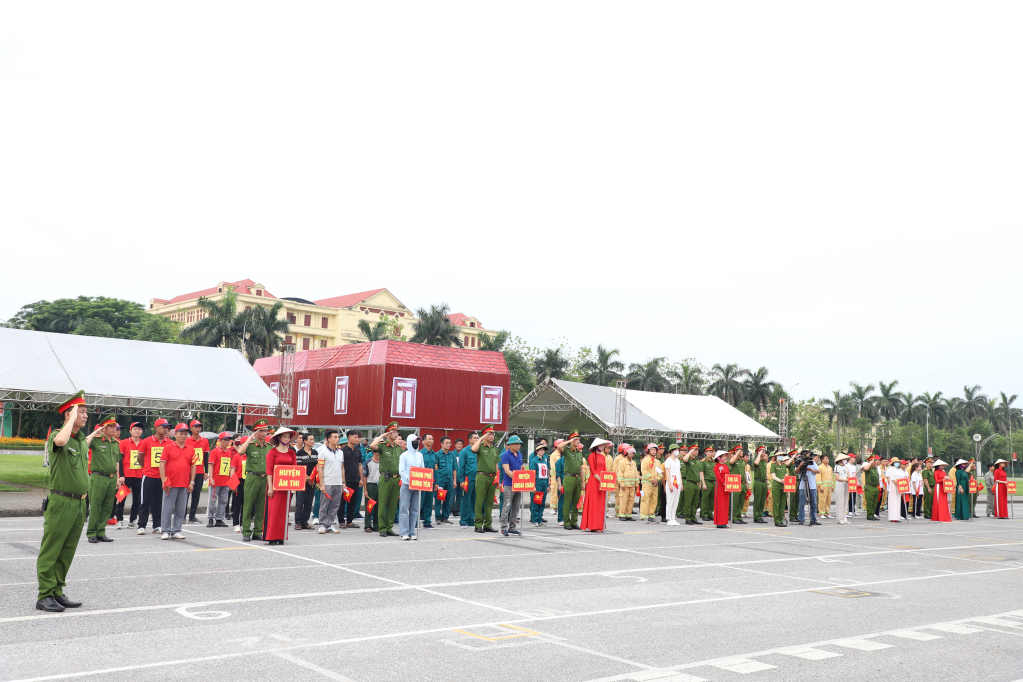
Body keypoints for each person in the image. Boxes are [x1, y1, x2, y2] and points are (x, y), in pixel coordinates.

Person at [36, 391, 99, 612]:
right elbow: (61, 440)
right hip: (61, 502)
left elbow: (84, 442)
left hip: (79, 503)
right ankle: (44, 595)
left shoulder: (80, 440)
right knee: (52, 549)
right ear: (68, 415)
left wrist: (94, 432)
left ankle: (57, 591)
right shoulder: (57, 436)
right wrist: (71, 417)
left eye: (85, 412)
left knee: (67, 550)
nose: (85, 415)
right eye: (81, 412)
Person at [235, 418, 273, 542]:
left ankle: (257, 531)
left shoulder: (270, 447)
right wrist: (250, 439)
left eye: (265, 431)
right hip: (252, 477)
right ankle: (246, 531)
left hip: (264, 479)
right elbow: (240, 451)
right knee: (248, 505)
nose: (264, 433)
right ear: (255, 433)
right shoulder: (251, 445)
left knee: (261, 507)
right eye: (261, 431)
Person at [85, 417, 121, 544]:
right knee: (95, 506)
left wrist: (117, 478)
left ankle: (101, 531)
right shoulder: (96, 441)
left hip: (111, 478)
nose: (114, 428)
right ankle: (92, 533)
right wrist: (97, 431)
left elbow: (116, 461)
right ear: (103, 428)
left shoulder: (116, 443)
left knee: (107, 507)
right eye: (110, 426)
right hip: (98, 477)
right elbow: (85, 442)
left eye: (114, 426)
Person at [159, 423, 196, 540]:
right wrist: (164, 481)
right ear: (175, 434)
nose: (183, 436)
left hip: (184, 483)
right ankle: (165, 530)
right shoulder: (168, 447)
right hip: (171, 482)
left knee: (181, 508)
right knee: (167, 508)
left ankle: (176, 530)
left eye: (185, 434)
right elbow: (162, 464)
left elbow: (193, 466)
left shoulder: (190, 449)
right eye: (181, 433)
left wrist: (192, 482)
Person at [137, 418, 172, 535]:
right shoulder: (147, 441)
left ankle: (157, 525)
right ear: (156, 428)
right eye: (164, 427)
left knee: (159, 502)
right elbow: (139, 457)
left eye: (167, 427)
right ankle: (141, 525)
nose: (166, 429)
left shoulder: (169, 442)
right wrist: (145, 468)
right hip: (149, 475)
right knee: (145, 501)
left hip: (162, 477)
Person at [369, 422, 403, 538]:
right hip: (385, 478)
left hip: (396, 479)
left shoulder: (399, 448)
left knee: (393, 505)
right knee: (382, 504)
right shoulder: (383, 445)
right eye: (393, 432)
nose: (395, 434)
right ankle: (382, 528)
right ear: (388, 433)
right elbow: (372, 446)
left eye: (396, 432)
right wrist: (382, 436)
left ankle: (389, 527)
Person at [264, 427, 297, 545]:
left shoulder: (292, 452)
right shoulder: (272, 452)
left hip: (287, 487)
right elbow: (269, 470)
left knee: (284, 512)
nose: (287, 439)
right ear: (279, 438)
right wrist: (271, 487)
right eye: (285, 437)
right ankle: (271, 536)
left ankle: (281, 536)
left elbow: (295, 469)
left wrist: (294, 486)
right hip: (275, 486)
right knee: (273, 511)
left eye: (289, 437)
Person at [114, 422, 144, 529]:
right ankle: (119, 520)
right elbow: (119, 460)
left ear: (142, 431)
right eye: (135, 429)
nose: (137, 431)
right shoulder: (124, 443)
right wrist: (120, 475)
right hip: (126, 476)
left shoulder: (144, 443)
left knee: (137, 500)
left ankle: (132, 520)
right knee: (121, 498)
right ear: (130, 431)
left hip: (139, 476)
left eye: (139, 429)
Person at [472, 426, 502, 533]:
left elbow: (496, 464)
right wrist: (480, 439)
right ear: (484, 435)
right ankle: (478, 524)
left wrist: (497, 478)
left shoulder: (494, 449)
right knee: (479, 501)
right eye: (489, 434)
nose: (492, 436)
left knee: (490, 502)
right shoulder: (480, 446)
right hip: (482, 476)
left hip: (491, 477)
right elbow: (473, 449)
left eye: (493, 434)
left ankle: (488, 524)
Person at [316, 429, 345, 534]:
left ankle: (330, 524)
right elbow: (320, 468)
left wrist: (343, 482)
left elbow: (342, 468)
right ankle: (322, 525)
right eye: (335, 437)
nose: (337, 439)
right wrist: (322, 484)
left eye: (338, 437)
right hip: (327, 482)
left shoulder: (341, 452)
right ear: (328, 439)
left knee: (335, 505)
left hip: (338, 482)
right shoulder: (323, 453)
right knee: (324, 504)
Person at [580, 438, 612, 531]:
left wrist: (608, 481)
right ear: (596, 446)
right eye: (601, 445)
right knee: (594, 504)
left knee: (601, 504)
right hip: (594, 482)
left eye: (603, 446)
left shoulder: (602, 457)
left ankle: (600, 525)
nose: (602, 447)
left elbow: (605, 470)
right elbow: (593, 471)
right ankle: (593, 526)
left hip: (602, 482)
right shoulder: (591, 456)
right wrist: (601, 479)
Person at [398, 434, 425, 540]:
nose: (416, 443)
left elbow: (422, 468)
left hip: (417, 485)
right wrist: (410, 479)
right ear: (410, 442)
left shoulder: (420, 455)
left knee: (414, 509)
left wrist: (421, 480)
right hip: (406, 484)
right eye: (414, 441)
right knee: (404, 509)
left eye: (417, 441)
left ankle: (412, 531)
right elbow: (401, 471)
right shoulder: (404, 455)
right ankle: (404, 532)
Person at [498, 435, 525, 536]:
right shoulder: (505, 455)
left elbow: (521, 467)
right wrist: (519, 477)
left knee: (516, 507)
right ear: (510, 445)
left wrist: (524, 477)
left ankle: (512, 528)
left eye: (519, 444)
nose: (519, 445)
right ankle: (503, 528)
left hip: (519, 484)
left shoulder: (520, 454)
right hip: (509, 484)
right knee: (507, 506)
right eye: (516, 444)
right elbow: (507, 470)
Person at [206, 433, 234, 527]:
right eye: (225, 440)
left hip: (225, 480)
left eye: (228, 440)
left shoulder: (229, 452)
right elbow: (211, 465)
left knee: (224, 500)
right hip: (216, 480)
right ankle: (210, 518)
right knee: (212, 500)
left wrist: (231, 481)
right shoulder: (215, 451)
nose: (227, 442)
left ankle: (219, 519)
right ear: (220, 441)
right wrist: (211, 478)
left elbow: (230, 467)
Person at [184, 420, 209, 524]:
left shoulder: (205, 441)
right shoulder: (186, 440)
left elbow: (206, 457)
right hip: (187, 471)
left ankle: (192, 516)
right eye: (196, 427)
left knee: (196, 494)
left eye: (199, 427)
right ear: (191, 428)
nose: (198, 429)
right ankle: (182, 515)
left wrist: (206, 471)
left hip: (199, 471)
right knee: (185, 494)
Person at [341, 430, 365, 529]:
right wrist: (343, 481)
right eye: (355, 437)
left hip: (355, 479)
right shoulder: (342, 451)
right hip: (345, 480)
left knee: (352, 501)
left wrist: (361, 479)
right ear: (349, 438)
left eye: (358, 437)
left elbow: (360, 465)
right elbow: (341, 466)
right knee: (342, 501)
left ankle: (350, 521)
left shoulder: (358, 451)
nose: (357, 439)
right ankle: (341, 520)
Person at [293, 433, 318, 530]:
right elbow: (299, 468)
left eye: (313, 439)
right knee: (300, 502)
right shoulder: (299, 453)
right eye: (310, 439)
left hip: (312, 482)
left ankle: (305, 521)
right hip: (302, 481)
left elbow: (317, 467)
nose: (313, 441)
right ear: (305, 441)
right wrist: (307, 479)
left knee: (309, 502)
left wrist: (313, 479)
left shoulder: (315, 452)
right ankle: (298, 522)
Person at [457, 433, 478, 528]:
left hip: (478, 479)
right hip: (467, 479)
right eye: (475, 438)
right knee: (466, 499)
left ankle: (471, 519)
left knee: (474, 500)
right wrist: (461, 480)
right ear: (470, 440)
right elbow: (461, 467)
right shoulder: (464, 451)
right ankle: (463, 520)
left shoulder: (479, 450)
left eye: (478, 438)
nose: (477, 439)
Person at [434, 436, 456, 524]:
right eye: (446, 443)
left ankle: (445, 517)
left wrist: (454, 481)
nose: (448, 445)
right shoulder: (437, 455)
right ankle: (438, 518)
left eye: (449, 443)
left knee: (447, 500)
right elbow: (436, 469)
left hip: (449, 481)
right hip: (441, 481)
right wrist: (437, 482)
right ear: (441, 444)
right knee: (439, 499)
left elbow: (454, 468)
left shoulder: (452, 455)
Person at [418, 434, 438, 529]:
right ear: (424, 441)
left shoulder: (434, 454)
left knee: (429, 503)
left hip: (431, 482)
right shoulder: (420, 454)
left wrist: (436, 482)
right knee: (419, 503)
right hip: (422, 481)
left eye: (432, 439)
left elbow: (436, 468)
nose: (431, 440)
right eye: (429, 439)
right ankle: (415, 521)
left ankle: (427, 521)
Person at [613, 446, 639, 520]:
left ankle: (628, 515)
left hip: (632, 486)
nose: (631, 454)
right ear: (626, 453)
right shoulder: (622, 462)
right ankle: (622, 515)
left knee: (631, 501)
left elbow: (636, 474)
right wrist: (622, 483)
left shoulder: (633, 463)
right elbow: (620, 473)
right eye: (630, 453)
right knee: (623, 501)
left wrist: (637, 484)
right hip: (625, 486)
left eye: (632, 453)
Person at [528, 442, 550, 526]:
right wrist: (533, 486)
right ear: (536, 451)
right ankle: (535, 519)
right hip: (537, 484)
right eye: (540, 449)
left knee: (542, 502)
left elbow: (546, 474)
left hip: (544, 484)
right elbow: (532, 474)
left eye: (543, 449)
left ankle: (540, 519)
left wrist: (548, 485)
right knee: (536, 502)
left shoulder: (544, 460)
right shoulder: (534, 461)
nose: (542, 451)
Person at [795, 452, 820, 526]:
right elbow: (796, 472)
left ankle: (813, 519)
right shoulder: (799, 461)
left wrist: (811, 470)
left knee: (814, 503)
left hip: (812, 486)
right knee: (801, 503)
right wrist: (800, 465)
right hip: (802, 486)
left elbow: (818, 471)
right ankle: (801, 519)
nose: (808, 458)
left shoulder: (812, 462)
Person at [639, 444, 660, 523]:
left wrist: (657, 479)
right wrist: (652, 479)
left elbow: (660, 473)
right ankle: (643, 517)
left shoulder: (657, 462)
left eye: (655, 450)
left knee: (654, 501)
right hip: (646, 484)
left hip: (655, 485)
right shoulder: (645, 461)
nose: (654, 451)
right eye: (652, 450)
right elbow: (644, 472)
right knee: (645, 500)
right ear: (648, 451)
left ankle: (651, 516)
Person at [662, 444, 682, 527]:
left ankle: (673, 518)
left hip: (678, 483)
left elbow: (679, 472)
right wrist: (669, 484)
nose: (677, 451)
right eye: (676, 449)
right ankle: (669, 519)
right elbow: (667, 473)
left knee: (676, 501)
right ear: (671, 451)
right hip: (672, 482)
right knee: (670, 501)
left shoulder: (677, 460)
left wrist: (681, 483)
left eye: (678, 449)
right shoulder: (668, 461)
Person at [229, 436, 246, 532]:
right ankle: (236, 524)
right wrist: (233, 484)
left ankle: (243, 523)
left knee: (246, 504)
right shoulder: (237, 456)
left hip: (248, 481)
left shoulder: (250, 456)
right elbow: (232, 470)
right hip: (239, 481)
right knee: (237, 504)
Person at [363, 447, 381, 532]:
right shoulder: (368, 462)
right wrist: (365, 489)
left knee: (379, 506)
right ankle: (367, 525)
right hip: (371, 485)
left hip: (380, 485)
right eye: (377, 451)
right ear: (373, 452)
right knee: (369, 506)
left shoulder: (383, 462)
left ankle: (377, 525)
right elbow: (365, 477)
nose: (378, 453)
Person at [728, 446, 747, 524]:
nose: (741, 452)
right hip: (735, 483)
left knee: (741, 502)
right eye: (740, 451)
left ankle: (739, 516)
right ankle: (734, 517)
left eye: (742, 450)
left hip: (742, 483)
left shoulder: (742, 461)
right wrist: (736, 454)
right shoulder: (734, 460)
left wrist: (746, 484)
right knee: (735, 502)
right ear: (735, 452)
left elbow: (744, 472)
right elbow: (731, 462)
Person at [712, 451, 731, 528]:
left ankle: (724, 522)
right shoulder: (716, 466)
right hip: (720, 486)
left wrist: (729, 485)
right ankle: (719, 522)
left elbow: (728, 476)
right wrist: (724, 483)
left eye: (725, 456)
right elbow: (718, 477)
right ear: (719, 457)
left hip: (726, 487)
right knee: (720, 504)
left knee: (725, 504)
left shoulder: (726, 466)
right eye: (723, 456)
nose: (725, 457)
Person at [769, 452, 789, 527]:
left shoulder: (784, 465)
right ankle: (777, 520)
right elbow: (773, 476)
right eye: (780, 456)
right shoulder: (773, 465)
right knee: (776, 503)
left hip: (783, 486)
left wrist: (786, 479)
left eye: (783, 456)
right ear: (776, 456)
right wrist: (781, 480)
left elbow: (786, 475)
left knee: (782, 504)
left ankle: (781, 520)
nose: (782, 457)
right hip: (777, 486)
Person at [862, 455, 882, 520]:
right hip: (870, 487)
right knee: (870, 502)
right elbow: (865, 468)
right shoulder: (868, 468)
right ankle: (869, 515)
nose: (876, 462)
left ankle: (872, 514)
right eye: (874, 461)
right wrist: (870, 462)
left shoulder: (875, 468)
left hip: (876, 487)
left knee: (875, 502)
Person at [833, 453, 850, 524]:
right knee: (840, 502)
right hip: (840, 485)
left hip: (846, 485)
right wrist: (845, 480)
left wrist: (848, 480)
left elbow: (847, 476)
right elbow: (837, 477)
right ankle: (840, 519)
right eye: (844, 459)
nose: (846, 460)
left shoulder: (845, 467)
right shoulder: (837, 466)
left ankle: (844, 518)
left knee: (845, 502)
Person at [700, 446, 716, 521]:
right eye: (709, 452)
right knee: (705, 499)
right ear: (706, 453)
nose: (711, 453)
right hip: (707, 481)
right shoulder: (703, 461)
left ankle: (710, 513)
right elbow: (701, 473)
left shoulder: (714, 461)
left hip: (713, 482)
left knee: (712, 499)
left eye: (712, 452)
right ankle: (704, 514)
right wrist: (703, 483)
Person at [450, 438, 464, 516]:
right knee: (452, 495)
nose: (459, 445)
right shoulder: (452, 454)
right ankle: (451, 511)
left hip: (461, 478)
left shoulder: (463, 453)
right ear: (455, 445)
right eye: (458, 444)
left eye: (461, 444)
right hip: (454, 478)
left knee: (460, 496)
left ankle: (457, 511)